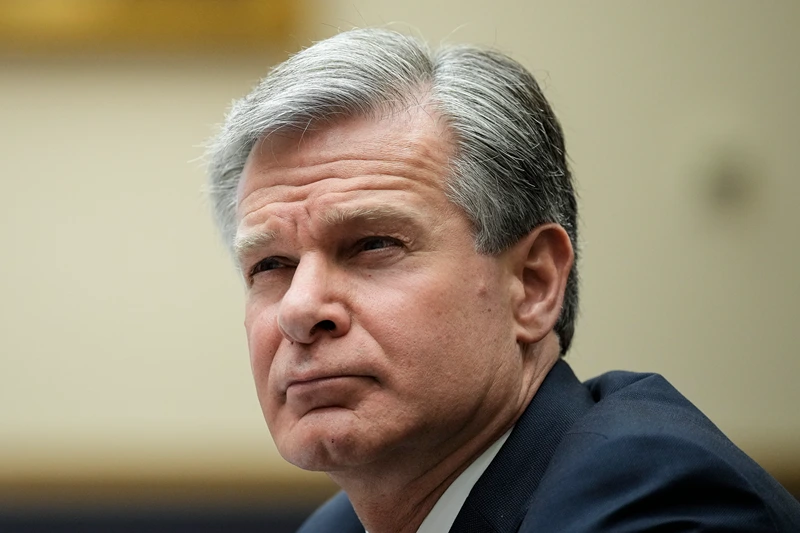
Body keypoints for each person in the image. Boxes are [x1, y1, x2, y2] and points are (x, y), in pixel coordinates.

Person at [206, 28, 800, 533]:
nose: (300, 308)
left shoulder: (656, 502)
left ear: (533, 284)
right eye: (271, 266)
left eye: (373, 245)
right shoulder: (339, 526)